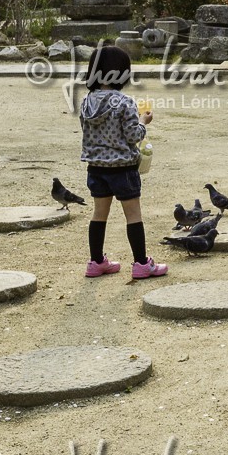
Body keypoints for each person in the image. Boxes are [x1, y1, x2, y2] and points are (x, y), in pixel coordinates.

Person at [79, 45, 166, 279]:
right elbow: (133, 135)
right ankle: (141, 264)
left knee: (99, 214)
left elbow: (87, 131)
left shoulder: (87, 102)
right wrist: (143, 121)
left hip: (96, 168)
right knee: (133, 215)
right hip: (123, 168)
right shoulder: (125, 102)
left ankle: (96, 262)